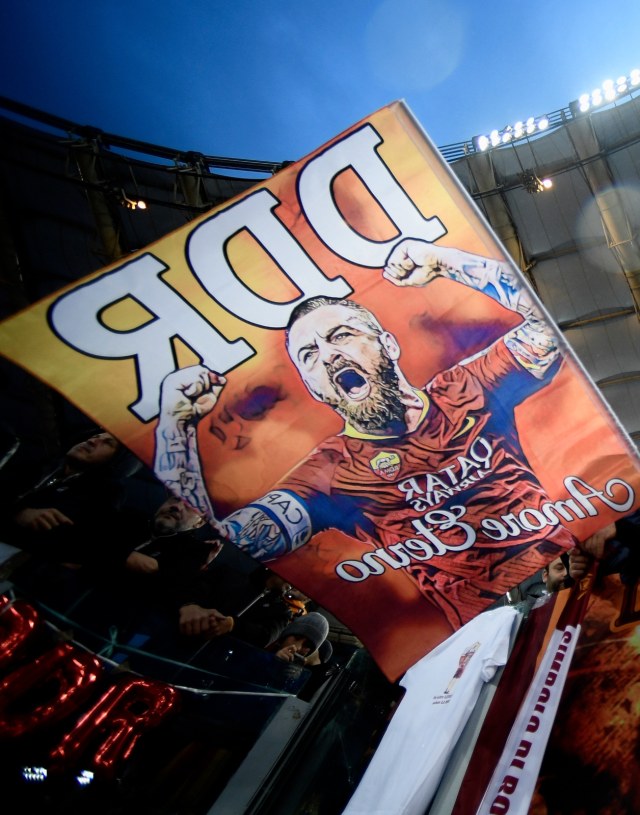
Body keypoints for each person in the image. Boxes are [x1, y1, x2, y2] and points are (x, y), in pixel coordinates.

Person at [153, 239, 577, 628]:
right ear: (313, 387)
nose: (329, 355)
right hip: (486, 623)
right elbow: (228, 540)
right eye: (310, 355)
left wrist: (445, 261)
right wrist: (175, 429)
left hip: (568, 566)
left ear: (388, 345)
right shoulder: (329, 472)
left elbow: (549, 324)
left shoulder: (468, 387)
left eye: (341, 336)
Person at [4, 430, 140, 565]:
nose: (92, 441)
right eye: (95, 436)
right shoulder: (39, 464)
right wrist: (18, 512)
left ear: (119, 459)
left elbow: (72, 540)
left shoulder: (106, 492)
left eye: (107, 443)